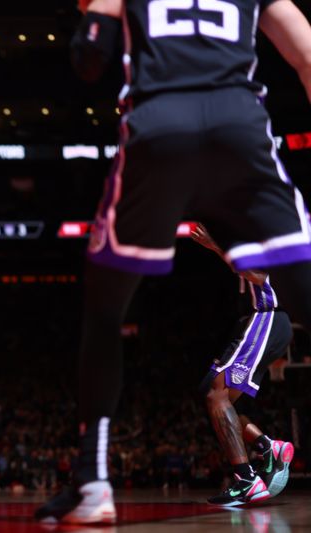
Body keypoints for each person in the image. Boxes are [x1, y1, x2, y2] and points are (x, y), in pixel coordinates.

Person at [37, 0, 311, 524]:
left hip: (158, 125)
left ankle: (93, 484)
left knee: (103, 314)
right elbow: (306, 56)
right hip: (240, 123)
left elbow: (89, 58)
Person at [192, 224, 295, 505]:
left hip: (266, 318)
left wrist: (215, 245)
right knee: (220, 401)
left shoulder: (269, 235)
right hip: (266, 323)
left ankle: (247, 479)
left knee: (217, 393)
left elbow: (258, 275)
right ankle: (267, 446)